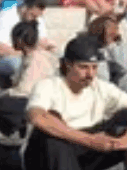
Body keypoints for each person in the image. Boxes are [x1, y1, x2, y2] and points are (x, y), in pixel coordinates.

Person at [23, 34, 127, 170]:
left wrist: (123, 141)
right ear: (68, 65)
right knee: (51, 131)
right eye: (83, 67)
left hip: (86, 151)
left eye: (94, 68)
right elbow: (37, 117)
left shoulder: (101, 87)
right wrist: (90, 141)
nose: (90, 74)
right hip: (48, 155)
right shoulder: (48, 86)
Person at [0, 0, 58, 89]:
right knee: (22, 63)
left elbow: (42, 41)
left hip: (23, 53)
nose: (35, 19)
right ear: (25, 8)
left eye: (37, 16)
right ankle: (22, 90)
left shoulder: (36, 19)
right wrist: (27, 53)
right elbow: (0, 50)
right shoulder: (5, 17)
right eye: (32, 15)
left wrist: (50, 47)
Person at [90, 16, 127, 90]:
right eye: (110, 27)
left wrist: (111, 45)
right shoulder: (92, 49)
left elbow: (124, 66)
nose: (115, 30)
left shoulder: (120, 45)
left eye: (116, 27)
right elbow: (103, 77)